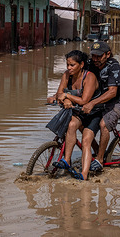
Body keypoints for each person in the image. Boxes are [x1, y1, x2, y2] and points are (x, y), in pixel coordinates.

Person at [47, 50, 101, 180]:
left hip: (94, 112)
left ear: (81, 64)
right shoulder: (67, 75)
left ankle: (84, 174)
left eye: (72, 65)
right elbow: (60, 94)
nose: (69, 68)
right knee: (71, 125)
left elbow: (84, 101)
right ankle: (66, 160)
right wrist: (61, 98)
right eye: (67, 65)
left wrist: (66, 96)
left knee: (86, 141)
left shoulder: (90, 77)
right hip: (79, 112)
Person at [82, 41, 120, 172]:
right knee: (81, 121)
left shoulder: (113, 66)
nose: (95, 59)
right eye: (93, 56)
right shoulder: (90, 64)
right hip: (101, 101)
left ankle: (99, 160)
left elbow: (112, 92)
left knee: (104, 125)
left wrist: (92, 103)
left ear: (108, 54)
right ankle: (98, 150)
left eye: (99, 56)